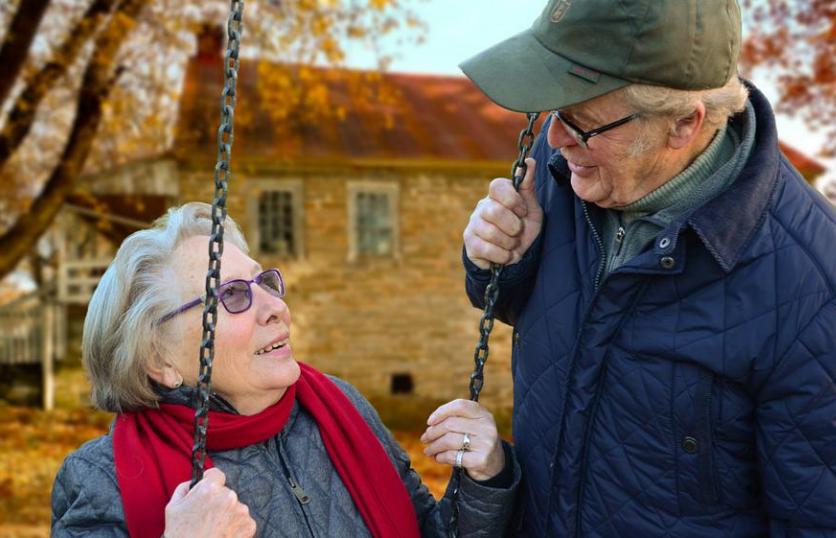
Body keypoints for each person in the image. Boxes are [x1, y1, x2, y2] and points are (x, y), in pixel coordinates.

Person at [460, 0, 836, 536]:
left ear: (683, 124)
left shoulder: (814, 286)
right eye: (552, 112)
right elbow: (537, 314)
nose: (556, 139)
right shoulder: (565, 167)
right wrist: (498, 264)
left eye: (581, 123)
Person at [51, 202, 520, 538]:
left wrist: (485, 479)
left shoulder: (339, 408)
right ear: (160, 360)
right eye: (232, 295)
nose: (275, 306)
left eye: (264, 281)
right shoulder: (102, 478)